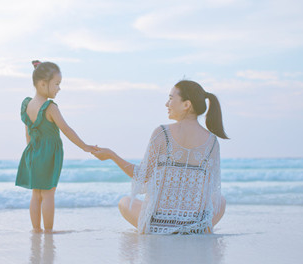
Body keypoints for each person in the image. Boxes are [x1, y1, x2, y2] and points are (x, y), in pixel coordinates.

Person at [92, 80, 228, 234]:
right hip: (195, 224)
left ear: (186, 105)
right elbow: (208, 191)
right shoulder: (212, 141)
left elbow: (142, 176)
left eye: (171, 98)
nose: (166, 104)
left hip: (157, 224)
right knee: (220, 200)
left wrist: (112, 155)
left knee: (125, 202)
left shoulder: (162, 133)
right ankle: (193, 227)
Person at [16, 60, 96, 233]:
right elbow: (66, 129)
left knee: (36, 194)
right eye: (57, 84)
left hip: (32, 152)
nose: (59, 88)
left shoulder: (27, 105)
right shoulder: (50, 107)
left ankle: (36, 230)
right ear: (43, 84)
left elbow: (27, 133)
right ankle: (48, 231)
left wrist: (31, 153)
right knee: (48, 194)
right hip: (49, 154)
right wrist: (84, 146)